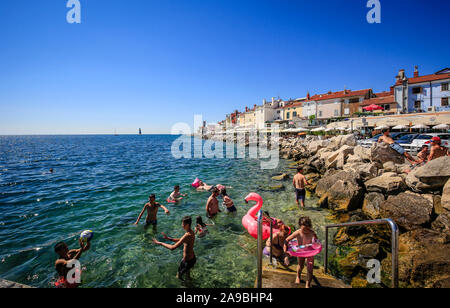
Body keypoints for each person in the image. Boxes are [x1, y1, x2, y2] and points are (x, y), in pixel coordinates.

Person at [153, 216, 196, 281]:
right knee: (187, 275)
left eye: (183, 224)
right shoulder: (190, 232)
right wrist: (169, 239)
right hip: (191, 258)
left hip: (188, 261)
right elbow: (181, 240)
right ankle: (189, 282)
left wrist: (160, 243)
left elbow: (172, 248)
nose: (182, 225)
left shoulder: (187, 235)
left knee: (178, 276)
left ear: (187, 225)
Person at [284, 216, 318, 288]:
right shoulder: (298, 233)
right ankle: (298, 276)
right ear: (300, 226)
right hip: (300, 252)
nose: (305, 231)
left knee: (310, 268)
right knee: (300, 265)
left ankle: (307, 284)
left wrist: (316, 244)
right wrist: (285, 251)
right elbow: (286, 240)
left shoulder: (312, 233)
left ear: (309, 226)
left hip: (309, 252)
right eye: (303, 229)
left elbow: (316, 240)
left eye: (307, 229)